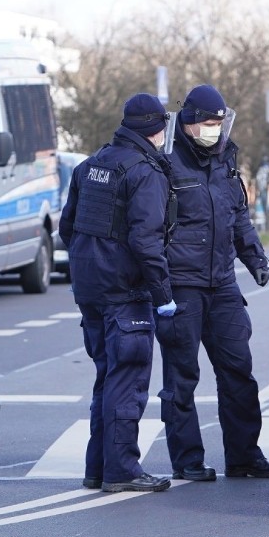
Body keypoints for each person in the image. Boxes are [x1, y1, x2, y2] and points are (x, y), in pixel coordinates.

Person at [156, 84, 269, 482]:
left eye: (219, 121)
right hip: (182, 285)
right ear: (192, 122)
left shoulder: (225, 159)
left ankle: (244, 456)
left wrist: (256, 259)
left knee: (238, 371)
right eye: (209, 122)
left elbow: (238, 218)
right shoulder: (166, 162)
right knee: (182, 377)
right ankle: (188, 459)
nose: (215, 129)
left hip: (223, 284)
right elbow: (150, 224)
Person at [59, 93, 175, 493]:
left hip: (90, 289)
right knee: (127, 381)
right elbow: (147, 242)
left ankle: (98, 468)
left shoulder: (90, 165)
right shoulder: (144, 172)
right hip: (126, 292)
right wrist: (163, 295)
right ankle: (122, 471)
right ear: (156, 129)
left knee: (106, 378)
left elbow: (67, 228)